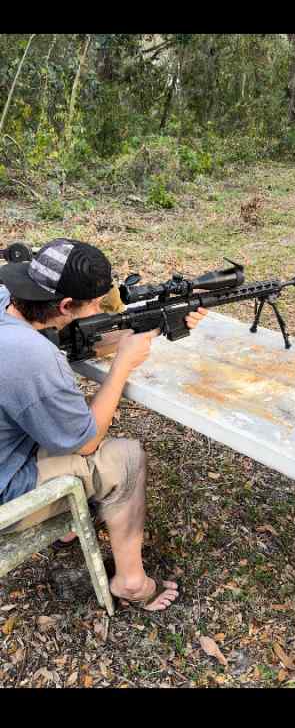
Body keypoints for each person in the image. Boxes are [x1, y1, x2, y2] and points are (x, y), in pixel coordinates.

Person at [0, 238, 208, 611]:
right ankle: (131, 582)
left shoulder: (7, 301)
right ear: (64, 305)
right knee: (126, 456)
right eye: (94, 304)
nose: (99, 309)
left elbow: (65, 338)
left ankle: (65, 527)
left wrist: (157, 324)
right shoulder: (32, 356)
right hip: (5, 492)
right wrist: (123, 364)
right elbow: (86, 441)